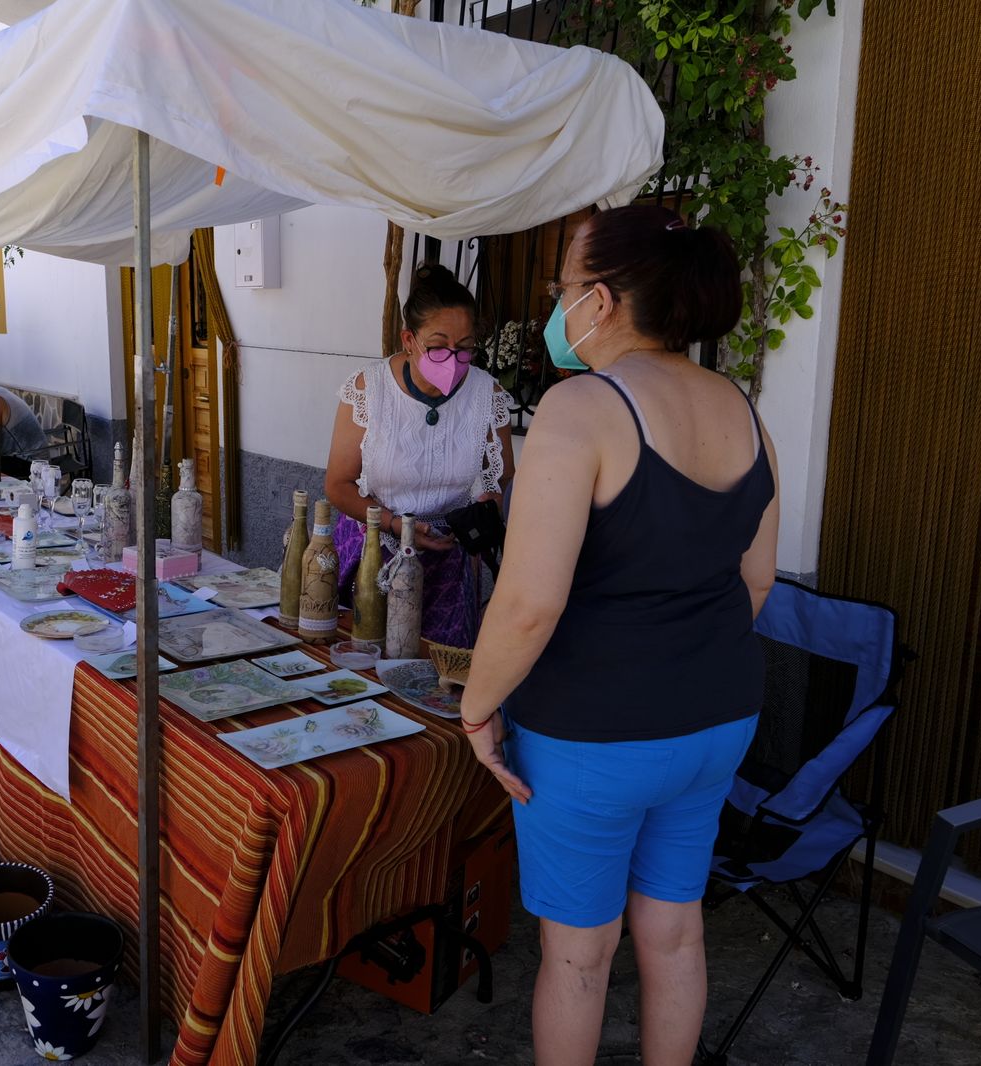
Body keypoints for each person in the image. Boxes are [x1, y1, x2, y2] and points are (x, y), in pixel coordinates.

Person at [457, 205, 778, 1066]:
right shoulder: (743, 411)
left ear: (599, 302)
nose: (559, 303)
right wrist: (680, 662)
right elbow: (756, 579)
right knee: (673, 932)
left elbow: (529, 603)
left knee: (578, 954)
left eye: (564, 285)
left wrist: (477, 712)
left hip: (594, 735)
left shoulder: (581, 408)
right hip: (718, 721)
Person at [323, 262, 513, 647]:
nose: (454, 359)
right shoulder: (368, 389)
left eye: (465, 349)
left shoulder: (487, 395)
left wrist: (486, 504)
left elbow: (501, 477)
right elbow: (338, 485)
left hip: (448, 558)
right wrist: (396, 524)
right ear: (409, 340)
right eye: (439, 346)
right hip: (373, 551)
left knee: (434, 679)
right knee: (362, 662)